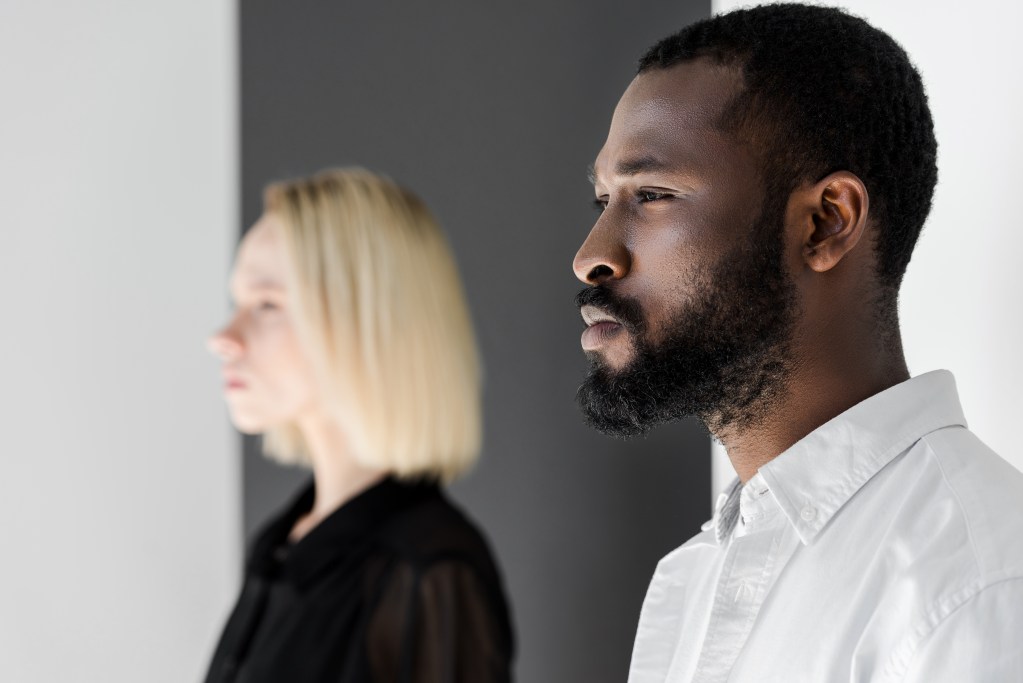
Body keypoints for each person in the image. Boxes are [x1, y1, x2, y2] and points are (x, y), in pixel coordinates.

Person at [573, 4, 1023, 681]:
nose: (591, 256)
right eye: (601, 201)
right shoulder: (697, 574)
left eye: (653, 194)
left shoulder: (975, 585)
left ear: (824, 224)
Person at [205, 168, 514, 682]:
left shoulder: (429, 570)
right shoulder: (280, 544)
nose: (224, 338)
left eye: (266, 305)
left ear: (364, 321)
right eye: (237, 303)